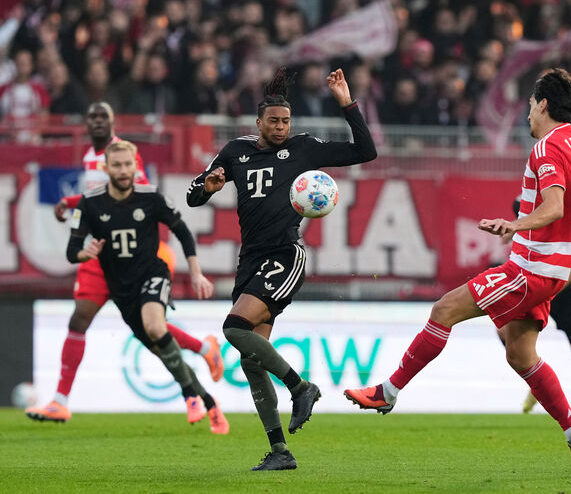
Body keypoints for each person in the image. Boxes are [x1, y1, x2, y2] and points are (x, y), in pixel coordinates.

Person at [344, 68, 571, 477]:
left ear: (543, 104)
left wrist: (514, 225)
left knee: (443, 309)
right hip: (551, 272)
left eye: (530, 105)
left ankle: (388, 391)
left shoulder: (546, 149)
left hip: (530, 269)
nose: (527, 113)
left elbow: (554, 207)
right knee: (520, 354)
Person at [186, 67, 377, 471]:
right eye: (273, 121)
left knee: (233, 328)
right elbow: (193, 196)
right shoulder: (235, 152)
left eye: (285, 121)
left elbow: (365, 151)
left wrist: (347, 103)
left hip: (285, 254)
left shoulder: (304, 148)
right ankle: (279, 451)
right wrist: (208, 187)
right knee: (251, 361)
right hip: (250, 260)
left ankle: (301, 387)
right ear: (258, 123)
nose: (280, 127)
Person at [26, 102, 223, 424]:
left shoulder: (124, 155)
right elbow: (98, 200)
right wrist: (74, 206)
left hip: (137, 256)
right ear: (86, 124)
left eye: (103, 117)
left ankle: (198, 371)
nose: (98, 122)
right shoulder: (92, 156)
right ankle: (59, 401)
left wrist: (70, 201)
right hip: (103, 255)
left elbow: (129, 195)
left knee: (151, 328)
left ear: (114, 122)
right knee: (82, 319)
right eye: (92, 117)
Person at [62, 140, 229, 434]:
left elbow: (182, 231)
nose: (123, 170)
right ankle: (208, 401)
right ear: (106, 168)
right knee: (164, 352)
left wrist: (196, 272)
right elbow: (72, 250)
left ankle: (190, 396)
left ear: (135, 167)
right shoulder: (90, 203)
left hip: (153, 274)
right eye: (117, 165)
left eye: (128, 164)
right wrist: (83, 254)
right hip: (121, 290)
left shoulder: (150, 197)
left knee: (155, 327)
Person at [501, 197, 571, 427]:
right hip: (535, 288)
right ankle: (536, 380)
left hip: (565, 291)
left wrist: (551, 291)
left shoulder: (558, 211)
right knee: (504, 331)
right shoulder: (522, 206)